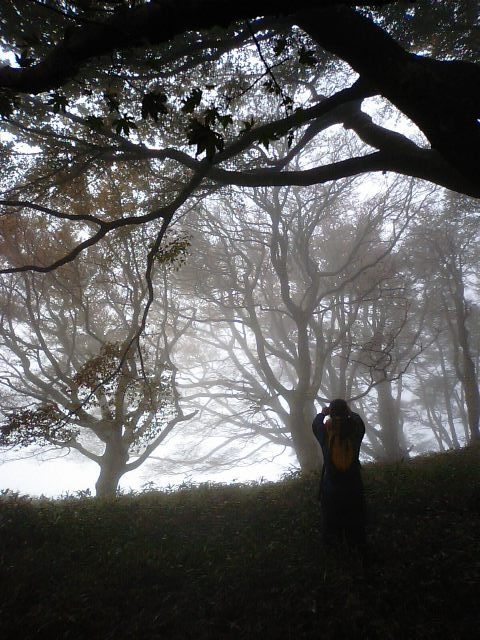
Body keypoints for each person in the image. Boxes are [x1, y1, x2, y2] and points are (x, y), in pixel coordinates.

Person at [312, 398, 366, 549]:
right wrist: (351, 412)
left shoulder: (326, 433)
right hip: (354, 487)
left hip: (331, 489)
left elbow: (316, 425)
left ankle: (335, 555)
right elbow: (360, 424)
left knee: (331, 528)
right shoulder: (355, 430)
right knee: (355, 528)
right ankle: (358, 554)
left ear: (331, 412)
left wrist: (322, 414)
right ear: (346, 411)